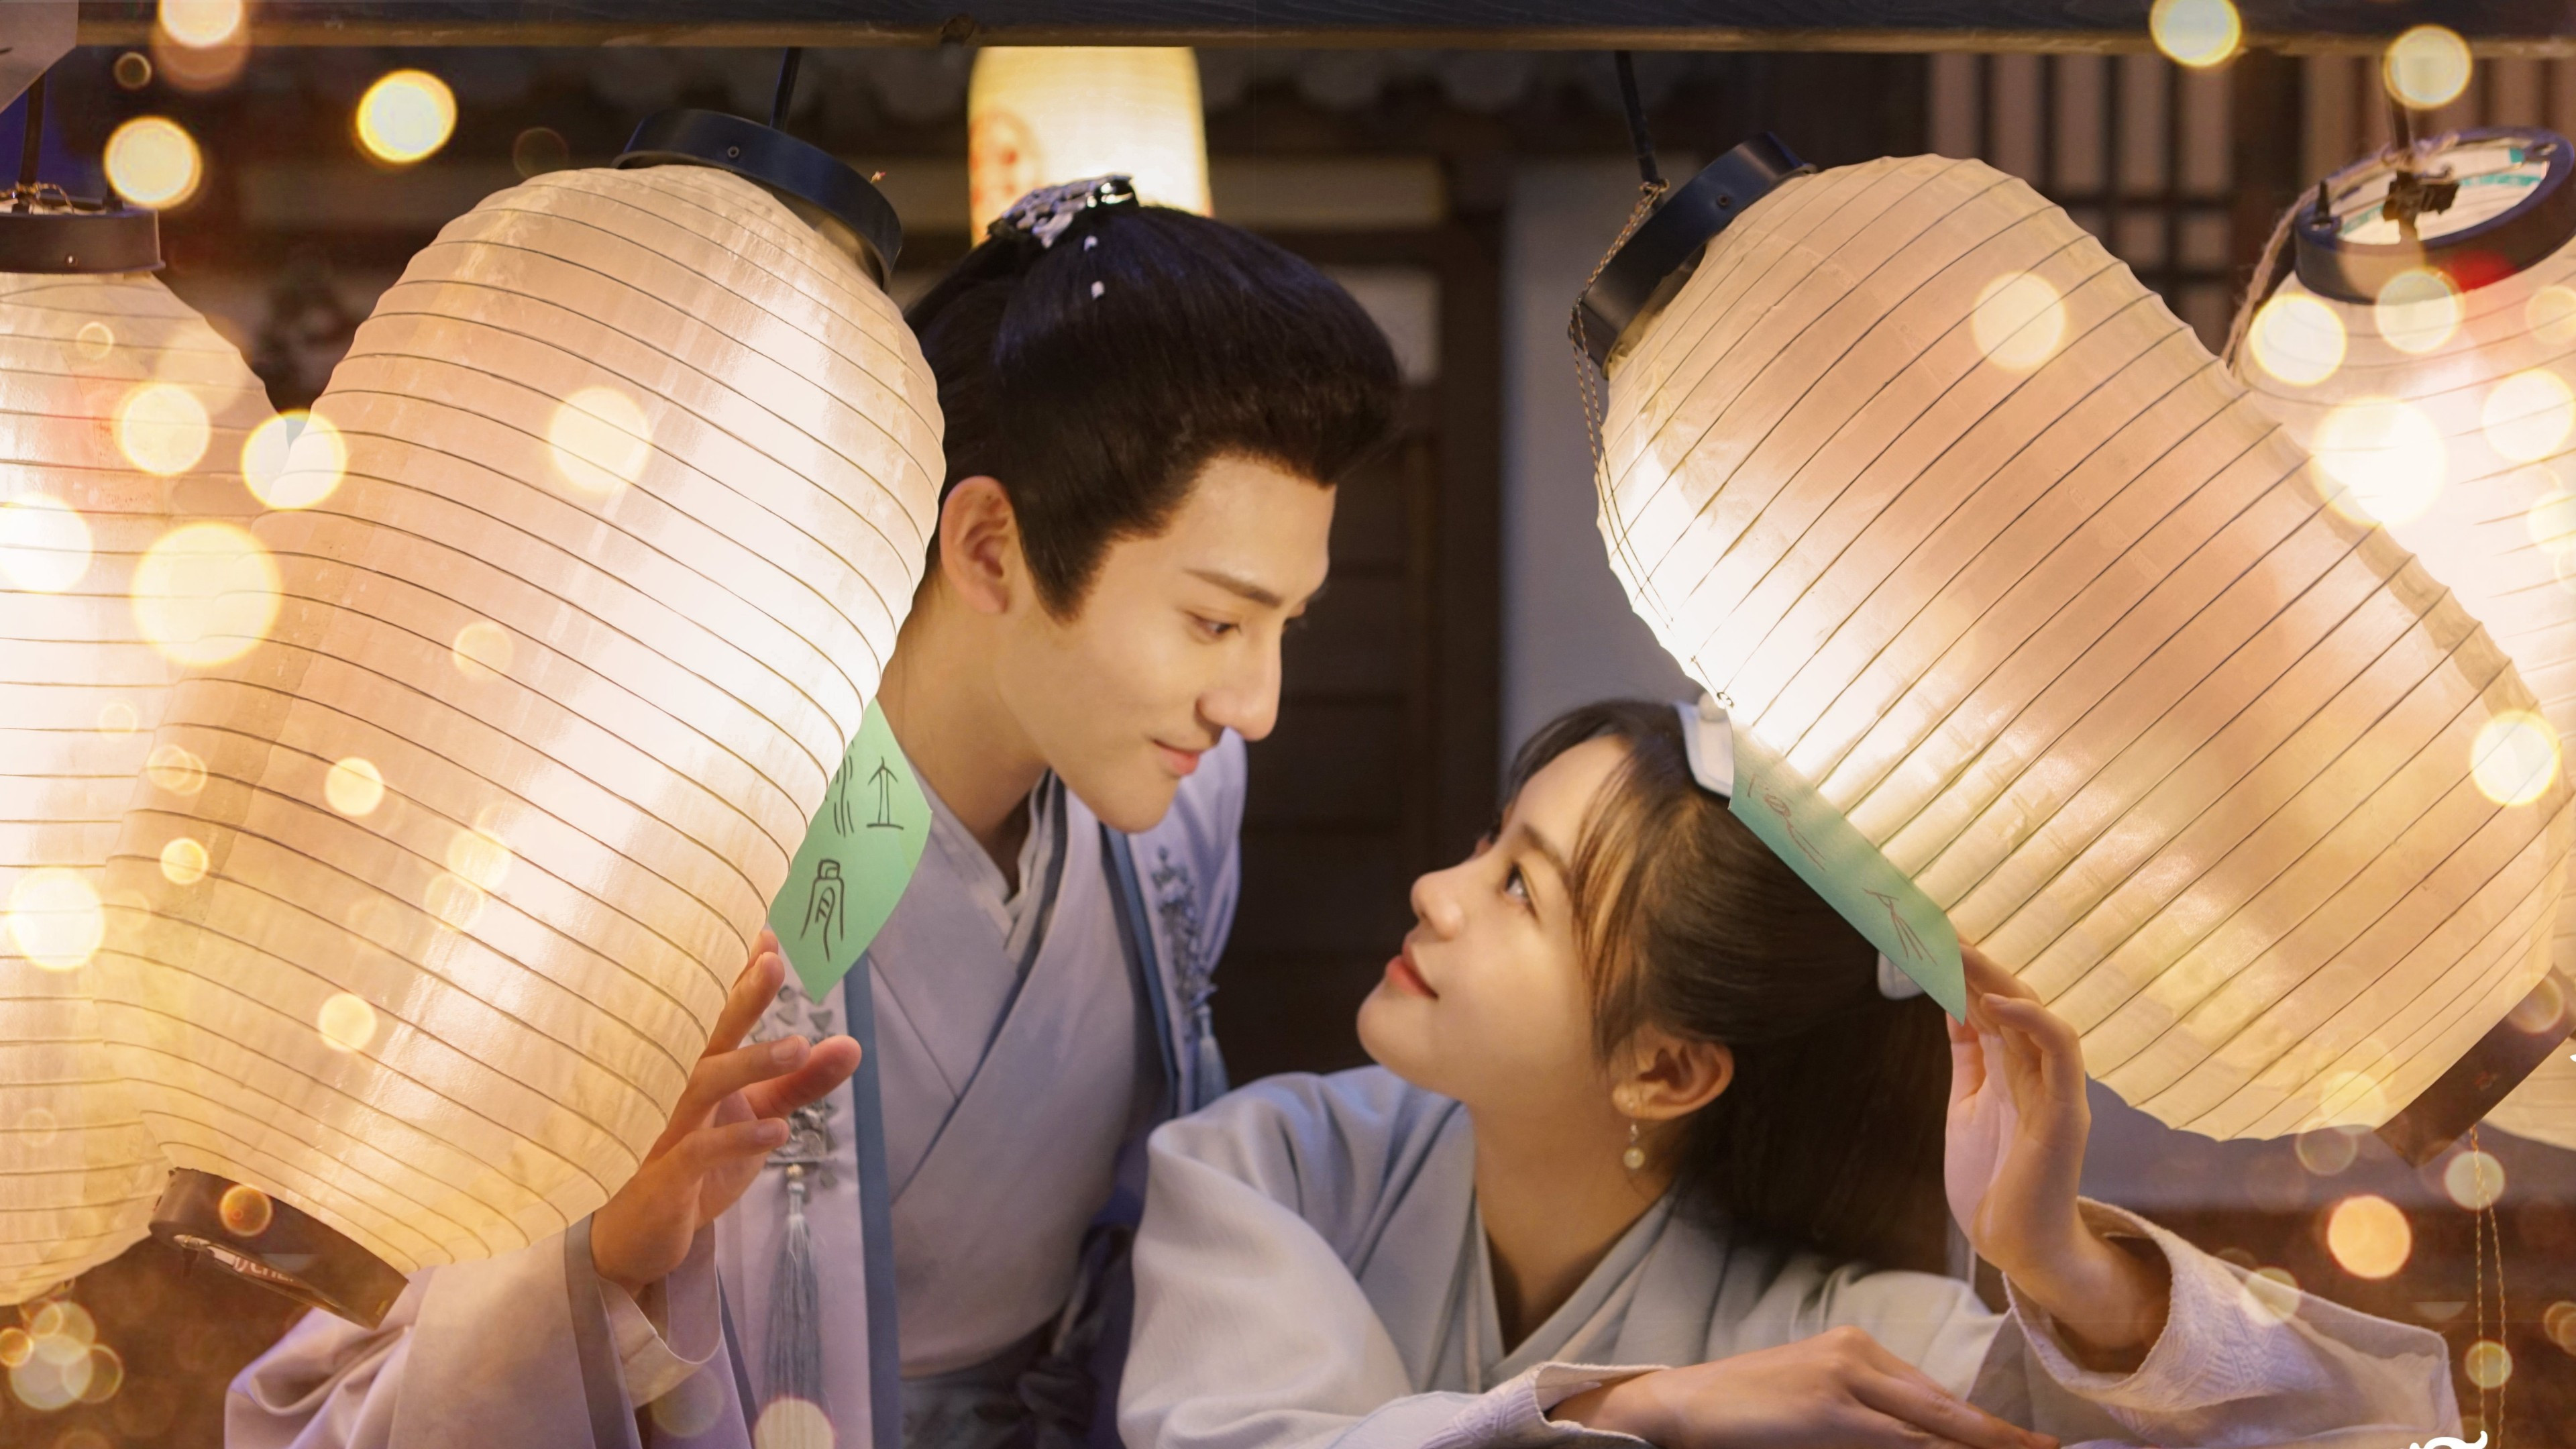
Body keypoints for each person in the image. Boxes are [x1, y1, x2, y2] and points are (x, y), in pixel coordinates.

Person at [228, 180, 1401, 1449]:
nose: (1256, 705)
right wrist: (604, 1260)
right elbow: (405, 1326)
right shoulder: (667, 838)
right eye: (1215, 622)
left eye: (1286, 625)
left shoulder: (1181, 795)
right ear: (990, 546)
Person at [1120, 699, 2461, 1449]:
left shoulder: (1838, 1349)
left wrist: (2064, 1266)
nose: (1435, 889)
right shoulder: (1270, 1169)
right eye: (1490, 843)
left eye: (1522, 888)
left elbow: (2370, 1435)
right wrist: (1644, 1409)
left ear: (1666, 1069)